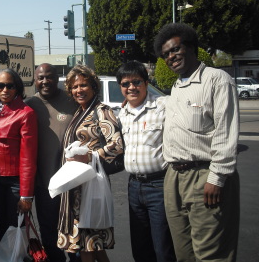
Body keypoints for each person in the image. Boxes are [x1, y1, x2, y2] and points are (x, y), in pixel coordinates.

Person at [153, 23, 240, 262]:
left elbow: (226, 132)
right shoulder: (176, 87)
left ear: (191, 47)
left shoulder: (217, 80)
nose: (171, 57)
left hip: (205, 176)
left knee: (211, 254)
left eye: (175, 49)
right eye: (166, 55)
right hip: (174, 179)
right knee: (184, 253)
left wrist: (217, 177)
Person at [57, 65, 124, 262]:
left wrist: (90, 156)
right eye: (74, 87)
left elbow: (117, 144)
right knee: (93, 243)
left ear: (94, 86)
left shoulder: (101, 110)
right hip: (76, 187)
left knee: (87, 243)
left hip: (90, 186)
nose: (79, 90)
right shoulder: (80, 111)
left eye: (84, 85)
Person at [116, 60, 175, 262]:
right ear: (120, 88)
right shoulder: (122, 114)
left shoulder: (164, 106)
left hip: (160, 185)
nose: (131, 87)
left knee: (163, 248)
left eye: (136, 82)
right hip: (134, 186)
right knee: (140, 248)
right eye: (125, 84)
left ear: (146, 83)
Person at [25, 63, 78, 262]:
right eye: (41, 78)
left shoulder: (72, 101)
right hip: (43, 184)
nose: (45, 81)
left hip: (72, 183)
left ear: (57, 79)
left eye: (49, 77)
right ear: (35, 81)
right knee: (49, 234)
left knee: (75, 233)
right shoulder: (29, 104)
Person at [0, 68, 38, 243]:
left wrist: (26, 195)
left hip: (15, 181)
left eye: (10, 86)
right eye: (0, 85)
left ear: (18, 88)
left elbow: (28, 158)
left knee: (16, 226)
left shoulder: (25, 113)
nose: (5, 90)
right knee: (1, 225)